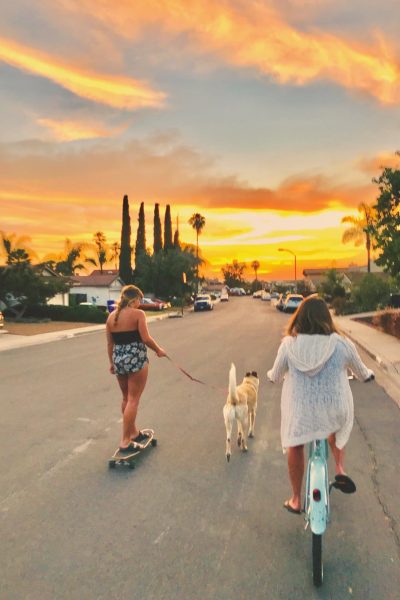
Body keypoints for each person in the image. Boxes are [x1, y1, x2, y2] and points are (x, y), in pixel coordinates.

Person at [267, 295, 374, 514]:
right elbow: (363, 373)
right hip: (334, 409)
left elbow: (276, 375)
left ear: (300, 318)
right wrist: (369, 375)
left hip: (300, 412)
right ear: (327, 318)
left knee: (295, 444)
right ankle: (340, 468)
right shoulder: (342, 344)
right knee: (335, 427)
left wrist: (270, 375)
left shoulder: (288, 345)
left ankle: (296, 499)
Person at [106, 285, 167, 453]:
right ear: (134, 300)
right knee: (133, 399)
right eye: (139, 300)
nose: (140, 304)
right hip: (136, 359)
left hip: (119, 360)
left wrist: (112, 363)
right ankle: (125, 440)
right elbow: (145, 338)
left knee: (126, 398)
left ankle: (132, 432)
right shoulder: (138, 314)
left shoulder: (111, 317)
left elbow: (110, 344)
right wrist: (158, 350)